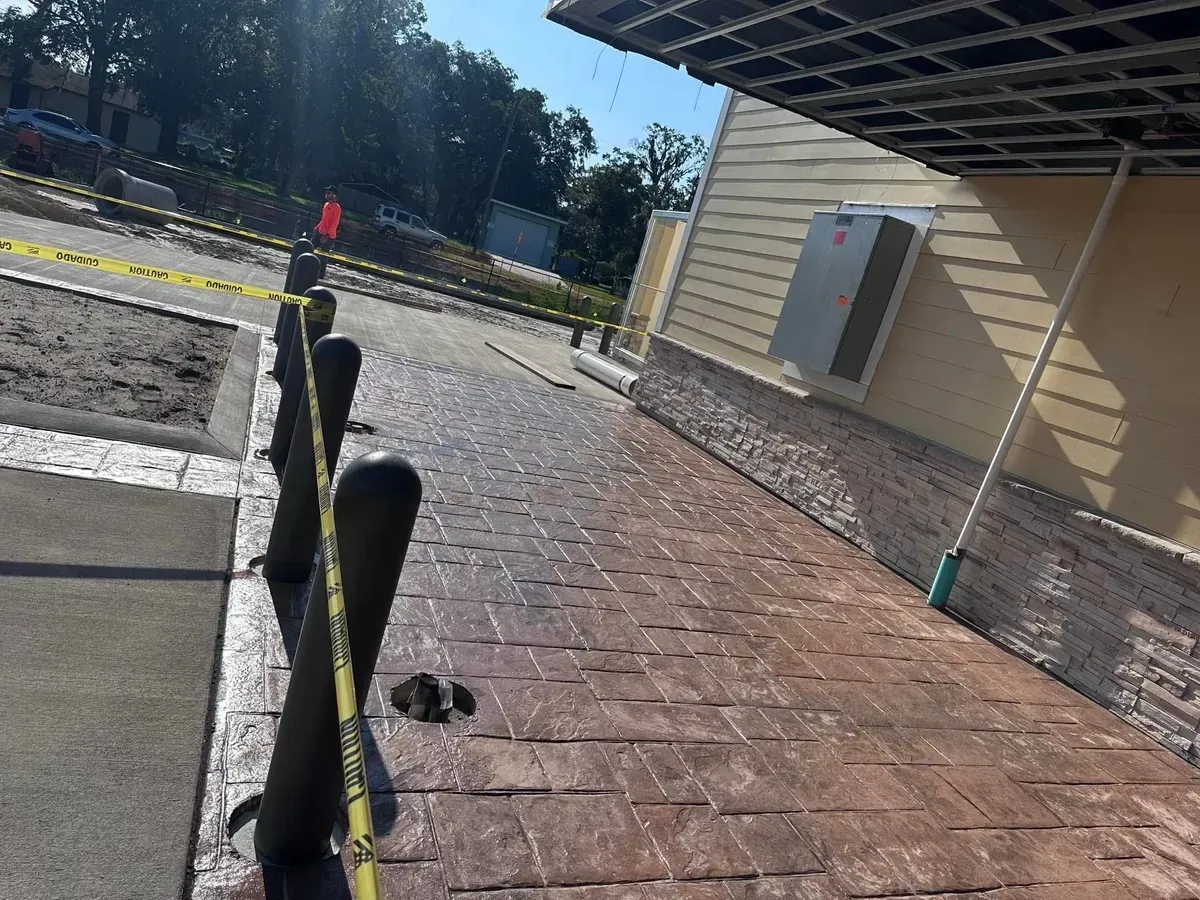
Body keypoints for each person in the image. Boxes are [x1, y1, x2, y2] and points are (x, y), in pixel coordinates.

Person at [313, 185, 342, 249]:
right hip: (320, 232)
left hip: (329, 237)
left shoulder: (337, 208)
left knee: (322, 256)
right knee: (310, 248)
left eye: (329, 193)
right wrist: (317, 227)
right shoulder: (326, 204)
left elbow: (335, 224)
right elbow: (323, 219)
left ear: (334, 195)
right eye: (326, 192)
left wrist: (326, 236)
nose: (326, 194)